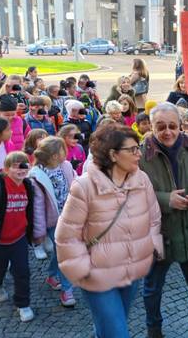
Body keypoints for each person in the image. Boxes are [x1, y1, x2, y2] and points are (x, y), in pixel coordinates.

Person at [56, 124, 162, 338]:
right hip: (97, 275)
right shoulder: (84, 186)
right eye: (132, 149)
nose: (138, 153)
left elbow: (154, 217)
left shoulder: (141, 180)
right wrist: (83, 270)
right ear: (113, 154)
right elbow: (66, 236)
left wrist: (149, 251)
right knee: (117, 333)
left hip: (132, 271)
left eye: (138, 147)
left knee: (112, 324)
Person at [139, 102, 188, 338]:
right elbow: (131, 194)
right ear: (151, 127)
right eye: (160, 127)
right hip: (157, 237)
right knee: (152, 288)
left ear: (181, 125)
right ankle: (154, 329)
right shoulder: (140, 154)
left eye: (173, 126)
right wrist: (165, 200)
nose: (168, 132)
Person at [0, 151, 36, 323]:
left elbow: (31, 211)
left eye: (24, 165)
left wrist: (33, 233)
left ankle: (23, 304)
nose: (21, 169)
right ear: (6, 169)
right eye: (16, 166)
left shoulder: (28, 186)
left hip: (18, 237)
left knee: (22, 272)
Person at [29, 136, 77, 307]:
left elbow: (75, 186)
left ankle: (51, 274)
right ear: (55, 155)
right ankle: (67, 289)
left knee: (61, 251)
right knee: (65, 252)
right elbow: (38, 207)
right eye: (63, 149)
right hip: (53, 221)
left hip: (70, 216)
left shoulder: (66, 166)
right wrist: (39, 232)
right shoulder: (37, 176)